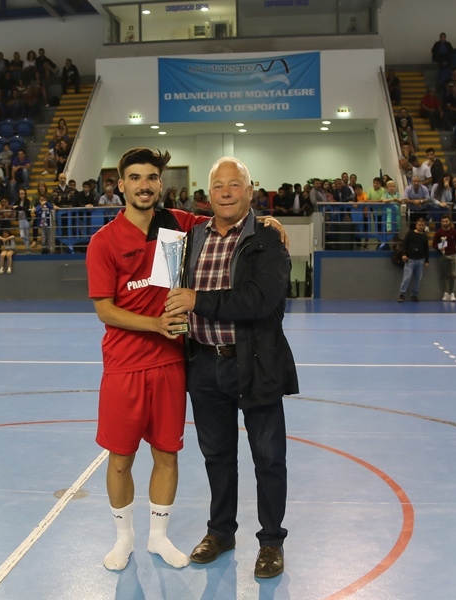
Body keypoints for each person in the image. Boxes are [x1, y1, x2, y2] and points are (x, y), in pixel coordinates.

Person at [164, 156, 297, 579]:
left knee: (268, 457)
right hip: (204, 364)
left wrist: (198, 301)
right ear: (208, 193)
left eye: (234, 184)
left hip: (254, 363)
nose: (225, 191)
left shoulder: (268, 240)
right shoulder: (193, 237)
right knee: (217, 456)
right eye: (218, 185)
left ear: (249, 190)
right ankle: (220, 531)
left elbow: (259, 300)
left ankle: (272, 541)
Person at [85, 147, 205, 572]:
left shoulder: (177, 223)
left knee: (167, 454)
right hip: (124, 367)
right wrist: (153, 325)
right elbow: (104, 309)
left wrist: (266, 220)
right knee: (121, 458)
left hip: (171, 364)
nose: (144, 185)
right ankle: (124, 539)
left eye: (151, 177)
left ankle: (158, 538)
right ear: (121, 184)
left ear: (160, 183)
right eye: (134, 177)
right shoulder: (104, 242)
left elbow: (228, 224)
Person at [398, 216, 429, 302]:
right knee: (406, 278)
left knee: (418, 280)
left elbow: (426, 249)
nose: (421, 227)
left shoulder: (424, 237)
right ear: (416, 225)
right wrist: (404, 254)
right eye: (419, 225)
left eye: (423, 225)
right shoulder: (410, 233)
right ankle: (402, 294)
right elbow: (404, 244)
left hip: (420, 260)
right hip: (410, 260)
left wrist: (426, 260)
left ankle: (414, 295)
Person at [433, 215, 456, 302]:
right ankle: (445, 293)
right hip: (443, 256)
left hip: (453, 255)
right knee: (444, 275)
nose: (445, 223)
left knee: (453, 275)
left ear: (449, 222)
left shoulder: (454, 232)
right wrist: (440, 247)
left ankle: (452, 293)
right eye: (443, 221)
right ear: (441, 223)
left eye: (446, 221)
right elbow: (434, 244)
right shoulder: (438, 233)